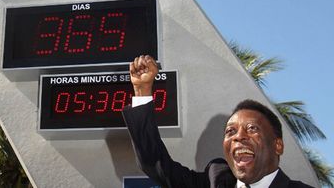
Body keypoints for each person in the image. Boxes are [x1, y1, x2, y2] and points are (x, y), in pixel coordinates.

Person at [122, 55, 314, 188]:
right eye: (230, 131)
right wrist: (142, 91)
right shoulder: (215, 179)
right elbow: (153, 162)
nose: (239, 137)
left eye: (252, 128)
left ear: (278, 145)